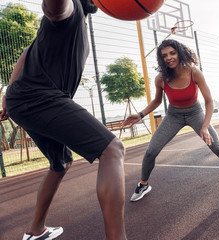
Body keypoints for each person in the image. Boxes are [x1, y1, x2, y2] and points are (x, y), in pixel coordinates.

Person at [0, 1, 127, 239]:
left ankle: (36, 230)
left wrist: (8, 92)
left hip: (25, 98)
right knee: (113, 149)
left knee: (61, 163)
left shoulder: (77, 24)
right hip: (39, 97)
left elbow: (27, 51)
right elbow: (55, 8)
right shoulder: (72, 10)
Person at [123, 39, 219, 202]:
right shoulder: (161, 78)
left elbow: (209, 102)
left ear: (180, 53)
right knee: (150, 151)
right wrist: (140, 114)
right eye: (164, 55)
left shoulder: (194, 72)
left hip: (195, 113)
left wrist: (205, 127)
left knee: (217, 147)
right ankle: (143, 184)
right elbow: (157, 101)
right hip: (173, 115)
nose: (169, 57)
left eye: (172, 53)